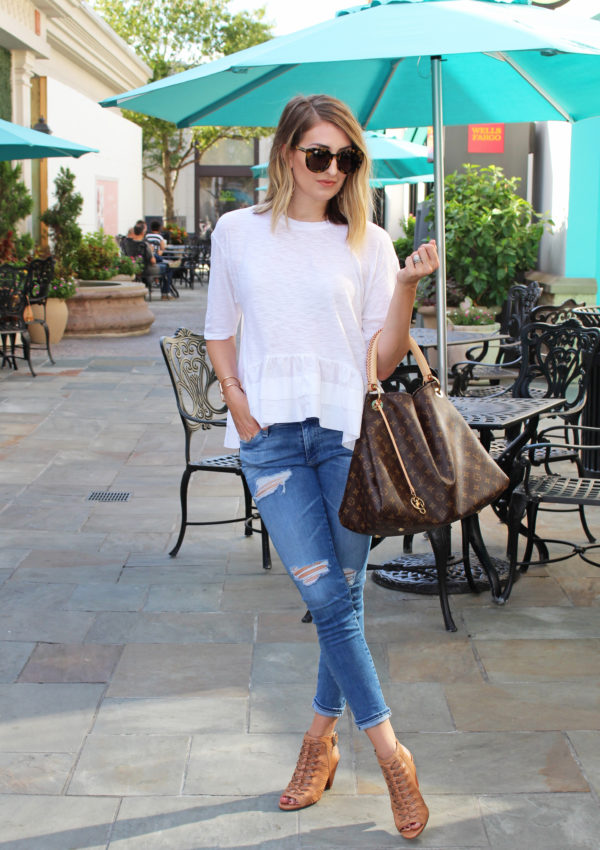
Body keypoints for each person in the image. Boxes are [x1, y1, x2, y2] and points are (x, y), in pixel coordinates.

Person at [204, 94, 438, 840]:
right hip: (271, 441)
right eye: (319, 155)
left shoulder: (367, 241)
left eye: (347, 158)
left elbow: (383, 354)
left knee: (345, 603)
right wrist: (239, 406)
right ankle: (394, 756)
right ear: (287, 155)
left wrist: (403, 288)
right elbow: (218, 333)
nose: (333, 169)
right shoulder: (237, 232)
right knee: (331, 603)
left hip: (346, 437)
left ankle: (317, 743)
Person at [145, 219, 175, 300]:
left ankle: (167, 262)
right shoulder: (160, 237)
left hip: (147, 259)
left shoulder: (147, 236)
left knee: (165, 263)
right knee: (168, 267)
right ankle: (165, 293)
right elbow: (163, 247)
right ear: (159, 228)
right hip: (154, 257)